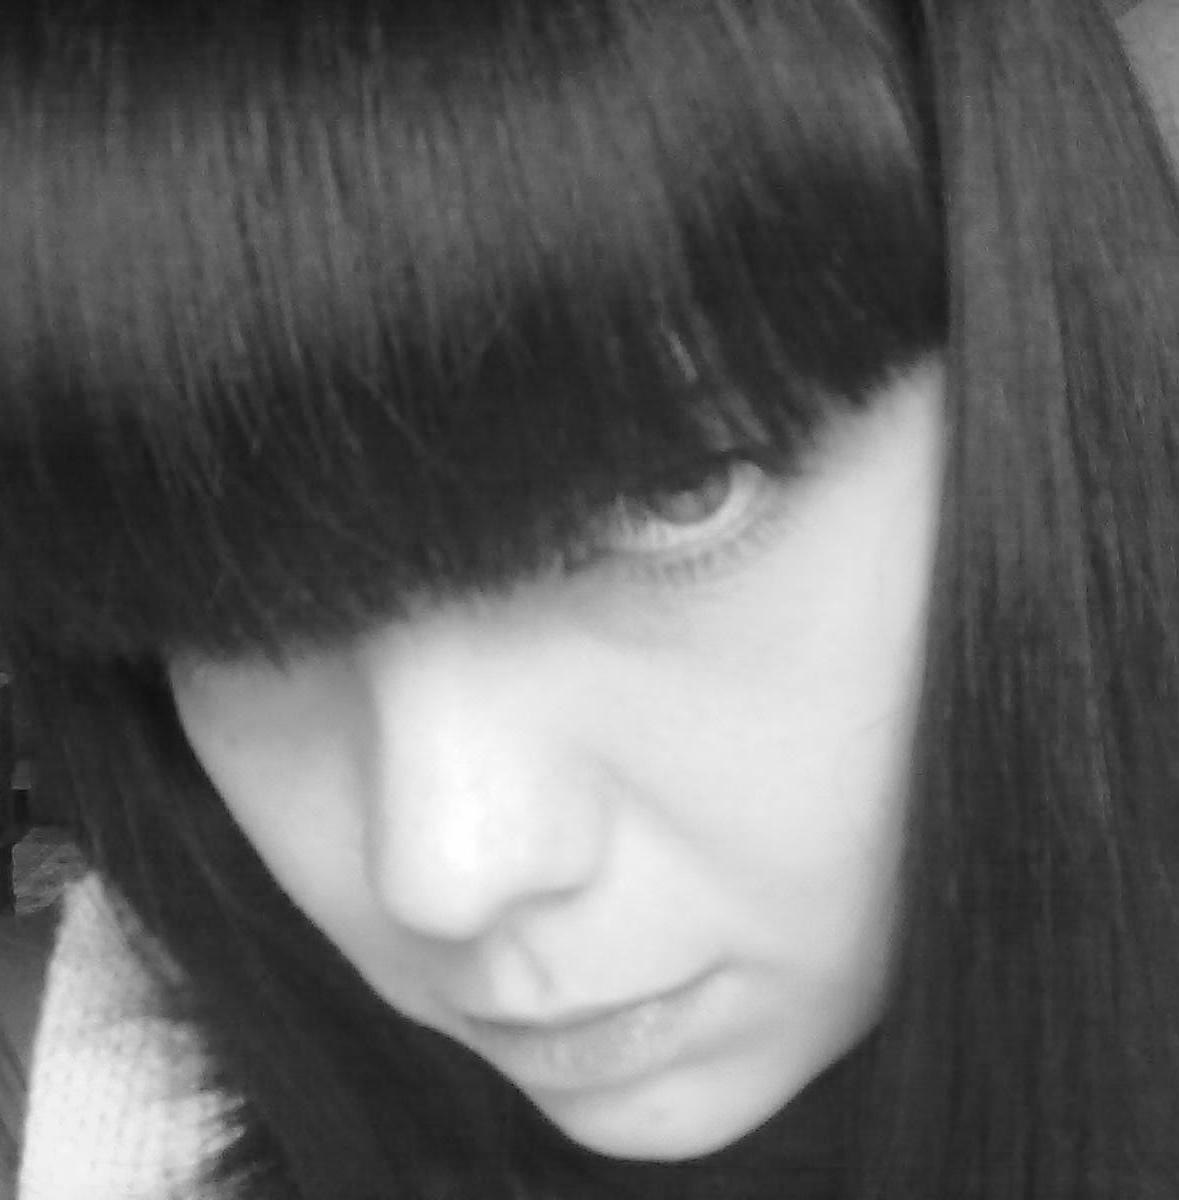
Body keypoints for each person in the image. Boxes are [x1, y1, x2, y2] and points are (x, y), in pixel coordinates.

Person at [2, 0, 1179, 1195]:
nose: (449, 875)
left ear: (1025, 344)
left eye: (676, 494)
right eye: (225, 612)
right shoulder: (147, 1078)